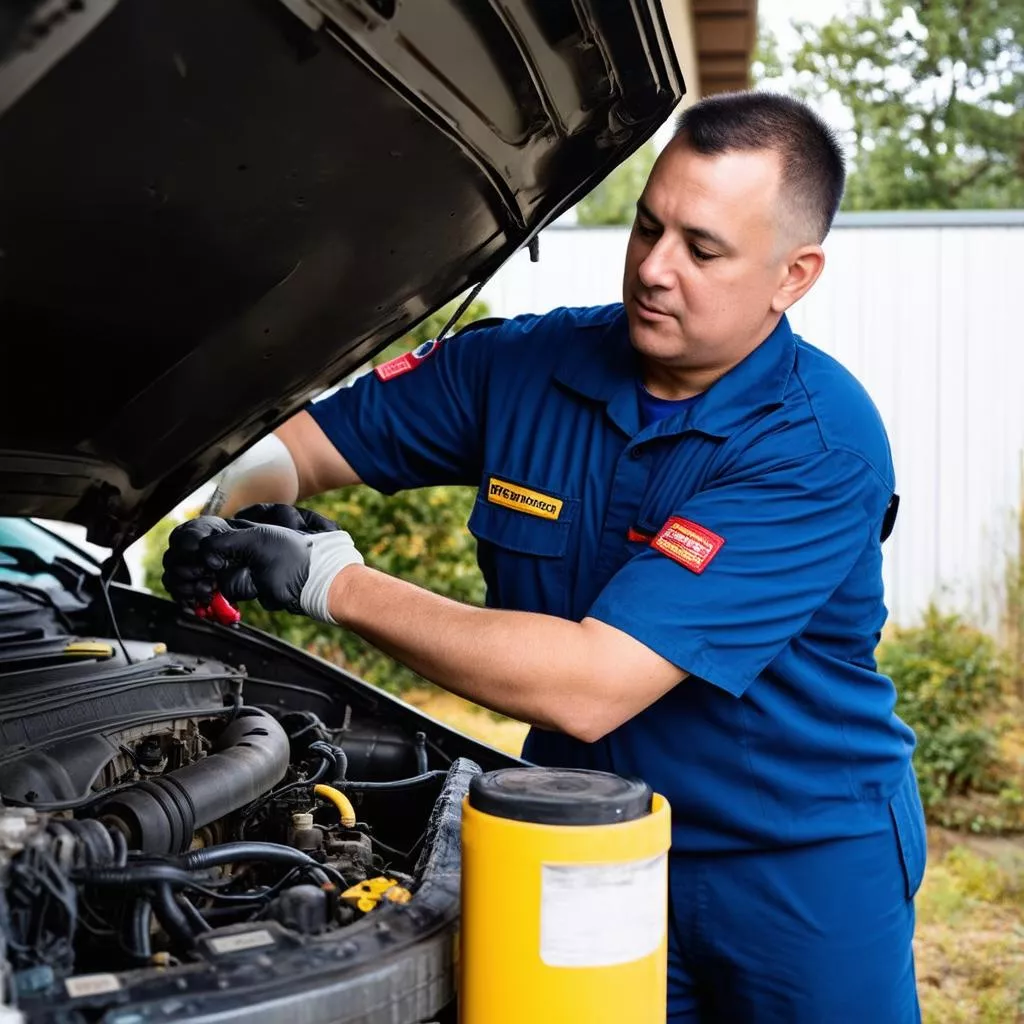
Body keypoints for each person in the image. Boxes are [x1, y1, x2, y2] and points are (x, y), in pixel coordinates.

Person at [163, 91, 925, 1023]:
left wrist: (332, 581)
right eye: (648, 227)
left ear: (793, 276)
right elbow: (298, 445)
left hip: (798, 867)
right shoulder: (525, 366)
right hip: (586, 843)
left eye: (702, 249)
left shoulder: (815, 444)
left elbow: (590, 685)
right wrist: (229, 518)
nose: (654, 269)